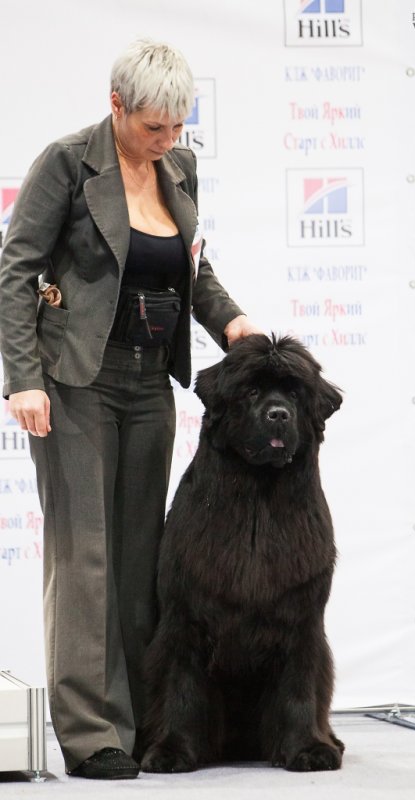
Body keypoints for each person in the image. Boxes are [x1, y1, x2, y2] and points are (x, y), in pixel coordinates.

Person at [0, 39, 259, 780]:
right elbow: (15, 270)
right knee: (84, 557)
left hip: (150, 385)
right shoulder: (68, 161)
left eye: (178, 126)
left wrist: (232, 322)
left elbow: (192, 266)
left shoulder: (179, 168)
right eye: (153, 126)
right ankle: (90, 734)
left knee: (142, 560)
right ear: (116, 106)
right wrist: (25, 380)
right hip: (76, 381)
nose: (167, 140)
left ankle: (147, 720)